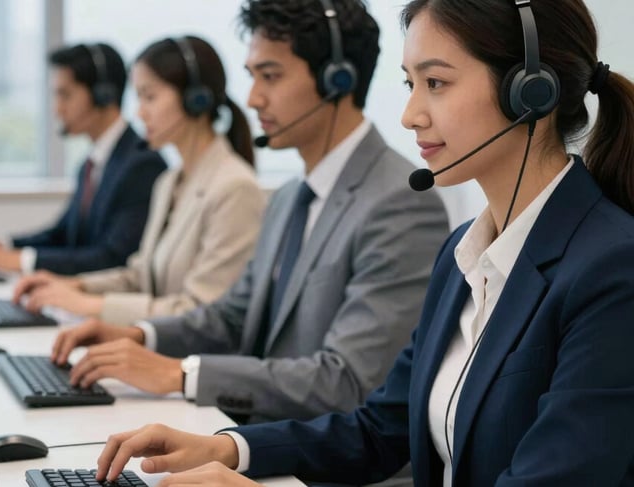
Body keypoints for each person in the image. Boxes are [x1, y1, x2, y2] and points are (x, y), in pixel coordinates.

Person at [88, 0, 634, 485]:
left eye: (436, 83)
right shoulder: (463, 252)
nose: (410, 114)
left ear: (531, 93)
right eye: (409, 83)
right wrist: (230, 448)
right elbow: (381, 428)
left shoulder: (612, 269)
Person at [49, 0, 449, 426]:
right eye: (252, 77)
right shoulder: (288, 198)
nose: (254, 98)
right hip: (265, 433)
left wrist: (178, 374)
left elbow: (346, 381)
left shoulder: (399, 203)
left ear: (338, 80)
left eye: (270, 77)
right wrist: (138, 335)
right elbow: (231, 317)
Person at [9, 36, 265, 325]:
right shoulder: (169, 182)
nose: (140, 113)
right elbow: (140, 275)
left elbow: (201, 311)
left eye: (150, 97)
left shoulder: (235, 188)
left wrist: (90, 304)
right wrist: (76, 286)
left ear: (196, 99)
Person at [0, 43, 167, 275]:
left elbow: (113, 257)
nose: (57, 109)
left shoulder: (142, 165)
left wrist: (20, 261)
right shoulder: (92, 163)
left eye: (65, 95)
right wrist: (3, 248)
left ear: (103, 94)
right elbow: (63, 233)